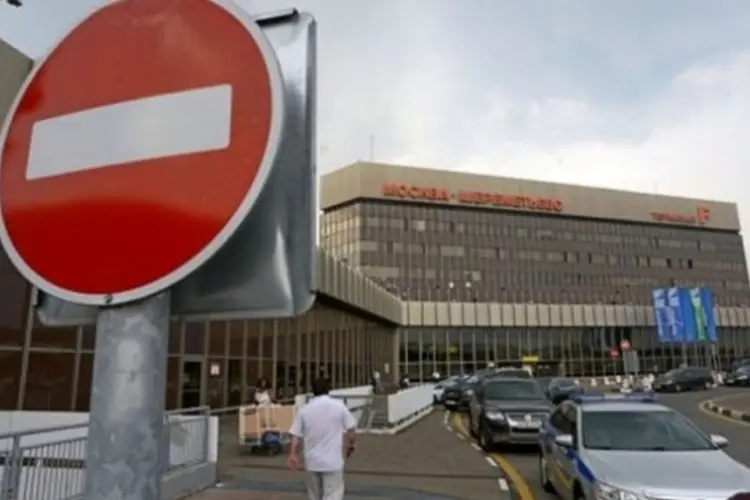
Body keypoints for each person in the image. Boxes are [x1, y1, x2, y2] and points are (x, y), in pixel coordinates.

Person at [287, 377, 357, 500]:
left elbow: (296, 435)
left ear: (312, 390)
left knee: (314, 495)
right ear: (328, 389)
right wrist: (351, 444)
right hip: (333, 461)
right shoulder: (339, 406)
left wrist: (293, 454)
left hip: (312, 461)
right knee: (333, 493)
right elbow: (351, 429)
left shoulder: (305, 409)